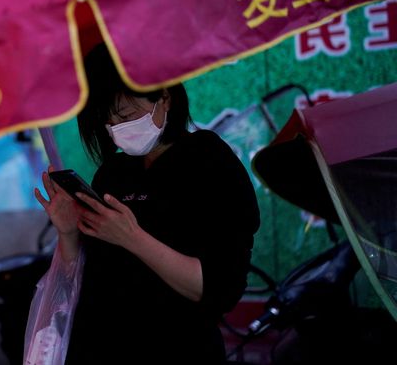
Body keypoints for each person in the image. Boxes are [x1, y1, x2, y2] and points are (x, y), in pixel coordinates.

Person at [34, 43, 260, 364]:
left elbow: (216, 289)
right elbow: (86, 278)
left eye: (126, 114)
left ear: (164, 97)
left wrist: (132, 237)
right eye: (108, 121)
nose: (117, 128)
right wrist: (69, 232)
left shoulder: (209, 161)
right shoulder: (113, 173)